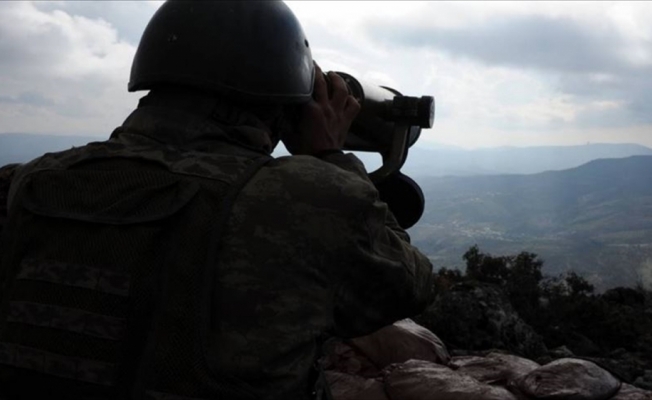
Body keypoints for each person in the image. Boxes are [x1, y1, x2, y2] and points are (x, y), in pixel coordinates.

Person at [0, 1, 434, 399]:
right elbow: (410, 285)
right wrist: (328, 156)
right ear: (282, 102)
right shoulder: (303, 199)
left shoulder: (33, 181)